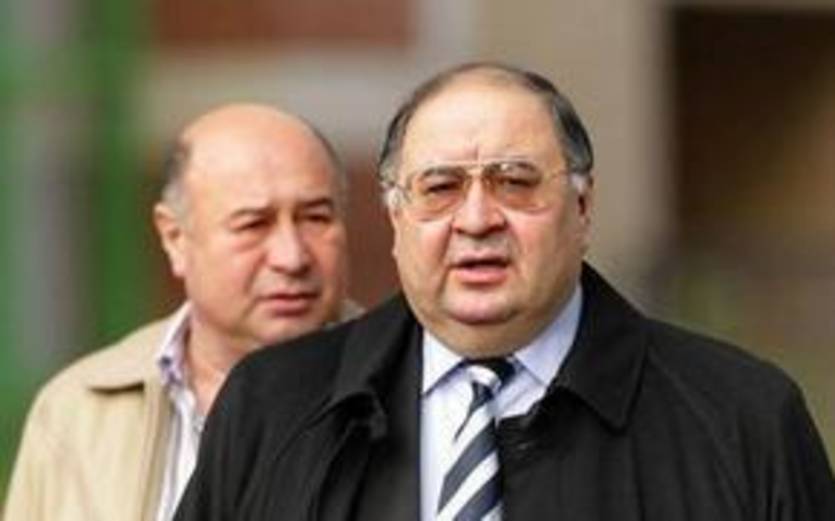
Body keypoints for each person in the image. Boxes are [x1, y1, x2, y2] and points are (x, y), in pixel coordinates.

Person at [174, 63, 835, 520]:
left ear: (582, 206)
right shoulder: (274, 409)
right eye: (439, 187)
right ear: (395, 217)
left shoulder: (742, 420)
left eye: (515, 182)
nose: (476, 219)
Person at [3, 103, 360, 521]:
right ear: (174, 237)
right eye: (253, 225)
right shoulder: (79, 411)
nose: (291, 256)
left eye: (315, 218)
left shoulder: (408, 387)